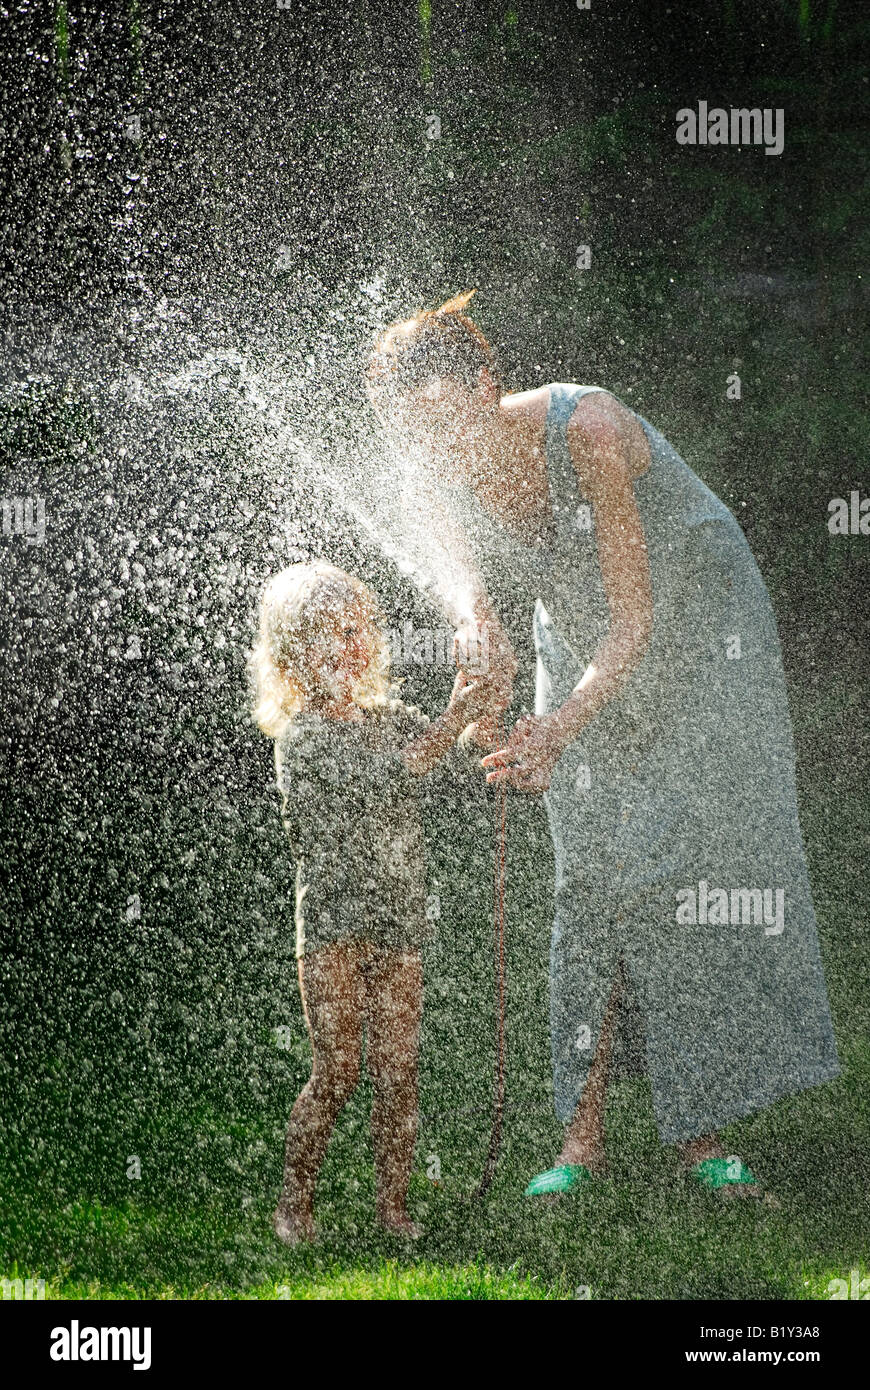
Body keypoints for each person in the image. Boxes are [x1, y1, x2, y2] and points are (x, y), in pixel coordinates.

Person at [365, 290, 841, 1201]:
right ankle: (579, 1141)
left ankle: (700, 1131)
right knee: (586, 871)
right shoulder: (433, 453)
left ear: (486, 384)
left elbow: (635, 625)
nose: (434, 450)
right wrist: (477, 626)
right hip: (579, 628)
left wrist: (552, 728)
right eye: (414, 437)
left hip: (696, 627)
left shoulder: (585, 431)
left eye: (441, 424)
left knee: (680, 865)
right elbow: (463, 567)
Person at [251, 561, 488, 1241]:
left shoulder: (388, 718)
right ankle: (294, 1207)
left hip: (399, 916)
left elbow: (441, 748)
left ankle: (393, 1208)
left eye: (357, 631)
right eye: (328, 636)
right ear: (293, 657)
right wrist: (454, 715)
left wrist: (478, 707)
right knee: (339, 1069)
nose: (348, 647)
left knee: (398, 1071)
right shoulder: (302, 737)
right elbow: (400, 772)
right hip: (331, 923)